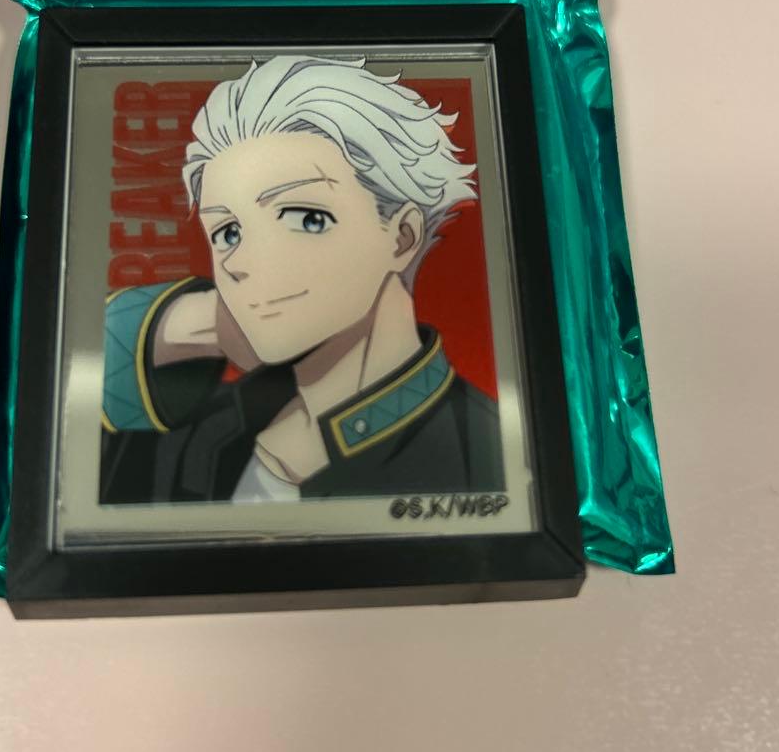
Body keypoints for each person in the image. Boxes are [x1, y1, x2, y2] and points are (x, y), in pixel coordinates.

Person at [100, 55, 504, 503]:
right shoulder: (210, 426)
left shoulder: (488, 458)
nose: (240, 263)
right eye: (228, 232)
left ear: (402, 237)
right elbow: (64, 415)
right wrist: (189, 321)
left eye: (307, 218)